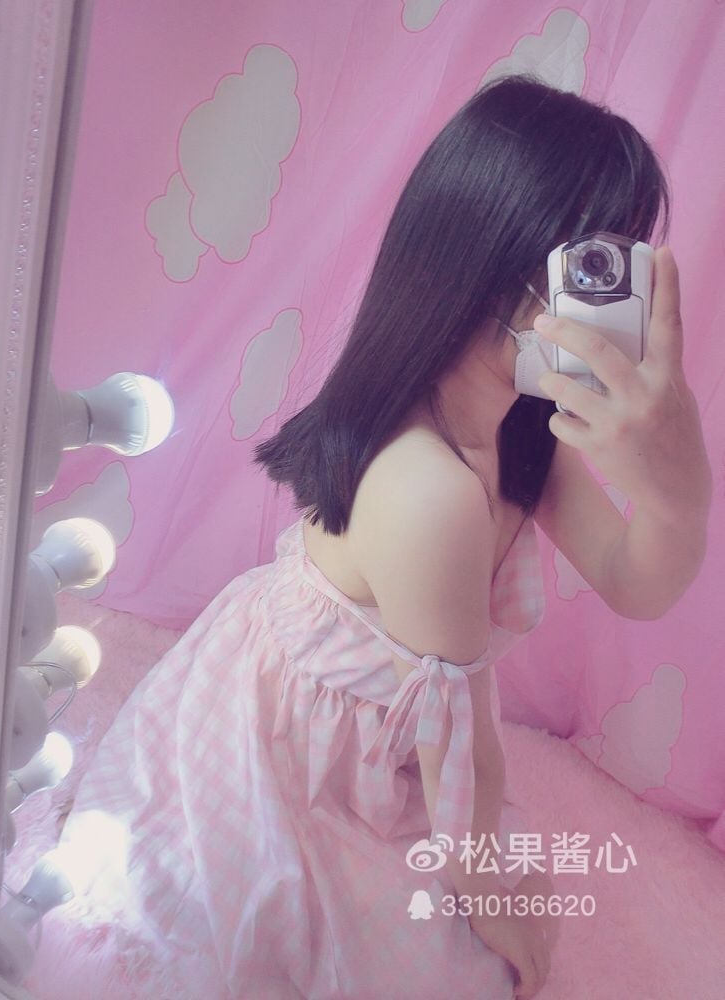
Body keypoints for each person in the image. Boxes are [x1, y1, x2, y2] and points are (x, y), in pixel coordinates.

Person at [48, 72, 710, 1000]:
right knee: (452, 962)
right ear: (497, 259)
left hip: (405, 738)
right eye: (586, 267)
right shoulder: (426, 489)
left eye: (619, 271)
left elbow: (634, 582)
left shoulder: (525, 428)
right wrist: (494, 909)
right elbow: (461, 754)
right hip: (293, 745)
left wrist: (679, 492)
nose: (605, 304)